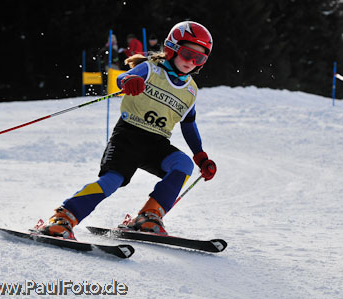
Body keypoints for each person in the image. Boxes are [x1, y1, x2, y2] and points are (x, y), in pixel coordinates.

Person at [35, 21, 217, 239]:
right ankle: (63, 218)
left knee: (183, 164)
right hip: (128, 137)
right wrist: (130, 80)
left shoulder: (190, 90)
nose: (191, 62)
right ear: (172, 48)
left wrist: (200, 156)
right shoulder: (151, 68)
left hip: (157, 144)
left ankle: (149, 217)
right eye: (188, 54)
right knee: (112, 181)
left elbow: (188, 124)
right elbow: (122, 78)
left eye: (199, 58)